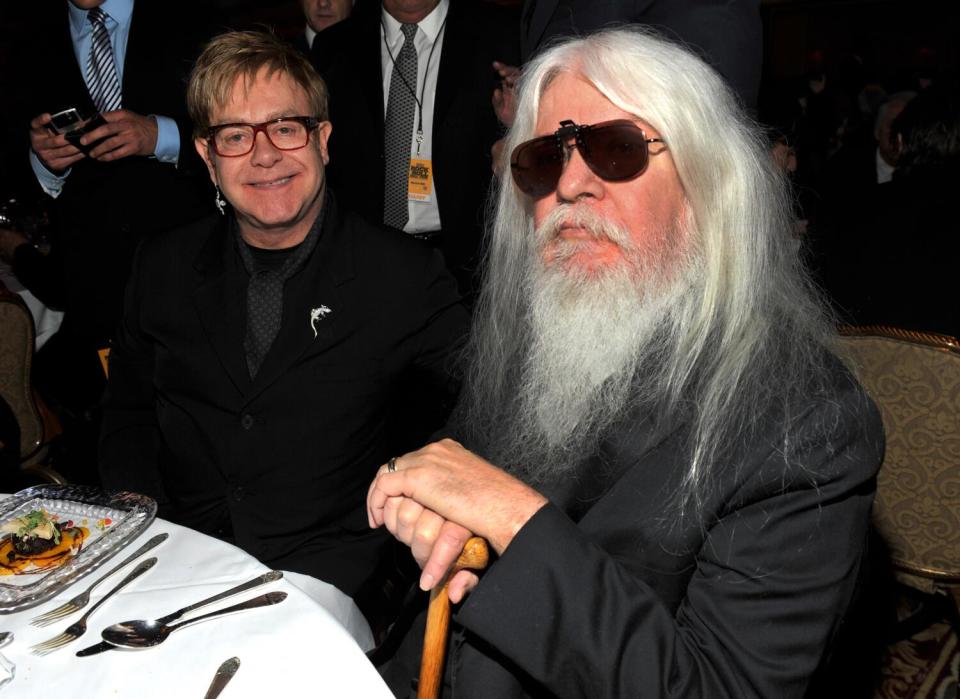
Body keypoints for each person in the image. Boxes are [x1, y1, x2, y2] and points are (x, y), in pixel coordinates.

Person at [366, 28, 884, 697]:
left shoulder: (809, 422)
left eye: (615, 149)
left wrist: (508, 516)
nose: (571, 184)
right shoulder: (542, 339)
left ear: (706, 188)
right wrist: (431, 512)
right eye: (543, 159)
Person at [99, 30, 468, 614]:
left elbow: (483, 403)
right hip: (174, 556)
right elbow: (129, 410)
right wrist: (136, 508)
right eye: (236, 135)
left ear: (323, 140)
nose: (264, 154)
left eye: (285, 127)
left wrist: (428, 491)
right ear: (206, 156)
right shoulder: (162, 265)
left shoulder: (401, 276)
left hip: (323, 575)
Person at [12, 0, 216, 466]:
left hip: (198, 278)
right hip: (98, 297)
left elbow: (240, 131)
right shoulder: (27, 39)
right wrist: (43, 162)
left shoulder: (194, 18)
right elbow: (15, 161)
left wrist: (160, 136)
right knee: (128, 454)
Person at [312, 0, 518, 297]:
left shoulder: (501, 36)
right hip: (365, 269)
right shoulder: (333, 49)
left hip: (475, 273)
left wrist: (524, 119)